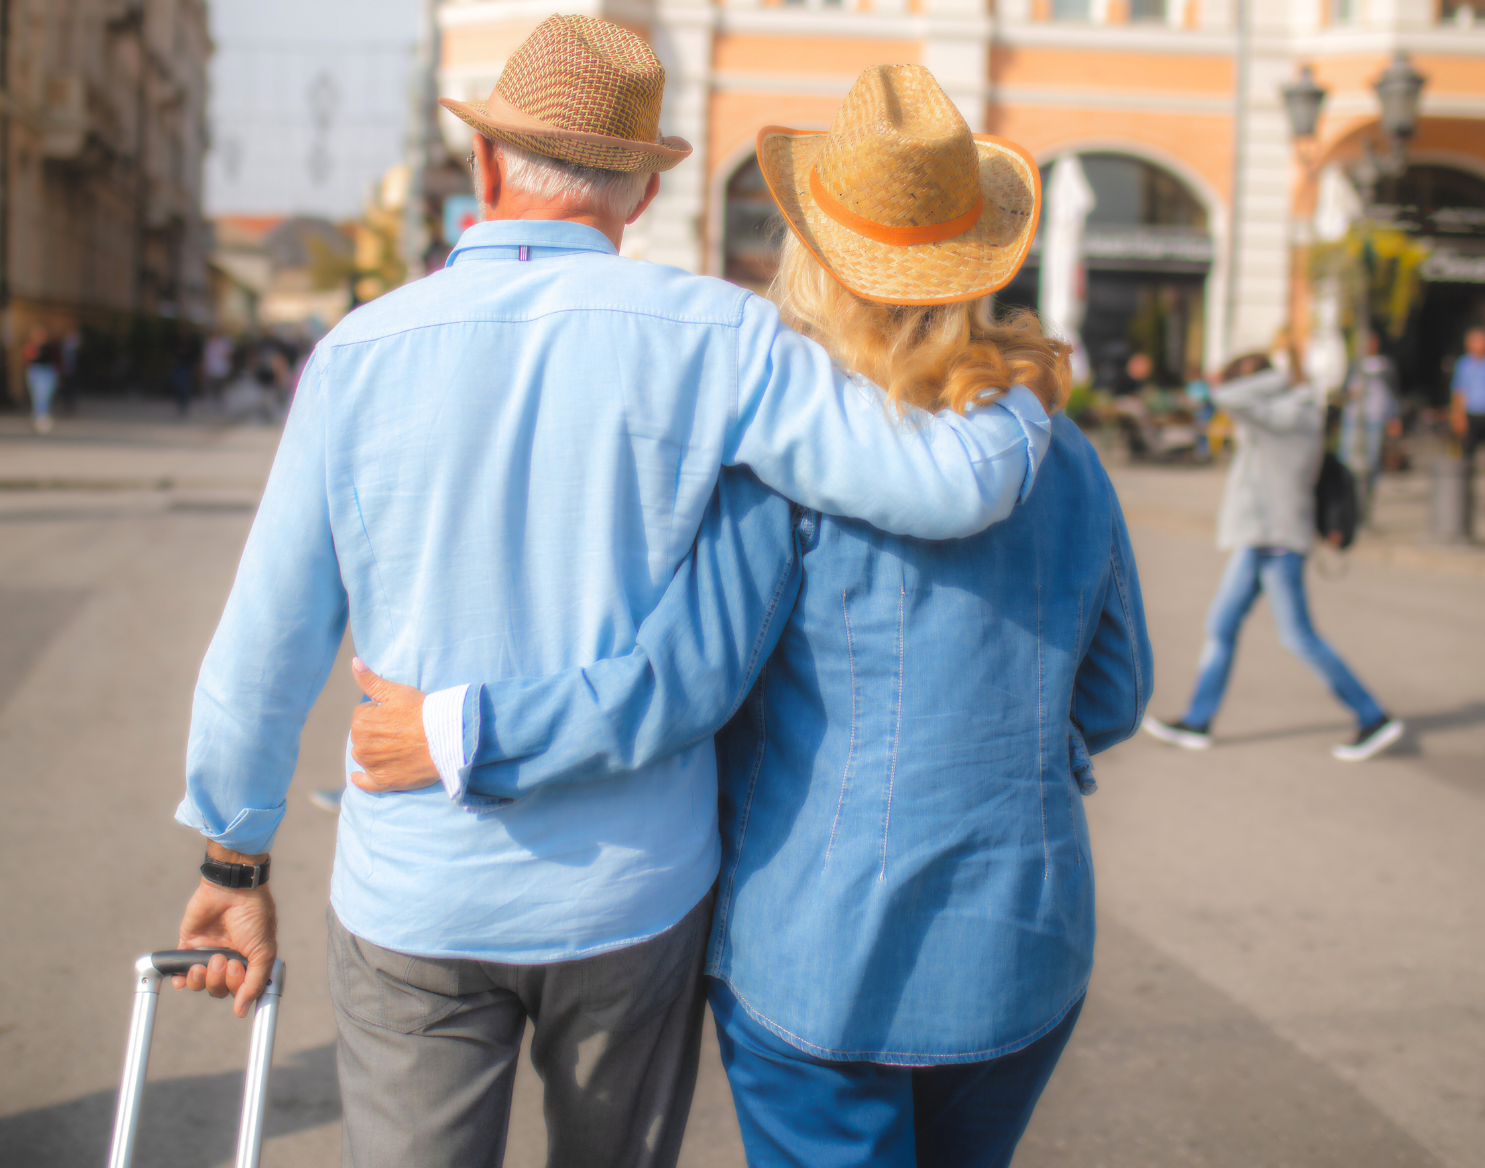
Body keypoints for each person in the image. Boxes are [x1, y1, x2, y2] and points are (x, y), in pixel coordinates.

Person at [169, 22, 1056, 1168]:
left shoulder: (356, 354)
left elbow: (263, 649)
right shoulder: (720, 338)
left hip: (416, 890)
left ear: (486, 170)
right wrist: (1028, 393)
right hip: (630, 897)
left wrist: (231, 864)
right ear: (637, 195)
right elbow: (939, 488)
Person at [348, 67, 1152, 1167]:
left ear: (812, 255)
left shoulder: (787, 465)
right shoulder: (1064, 457)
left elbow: (680, 689)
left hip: (822, 958)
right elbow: (1115, 695)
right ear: (978, 263)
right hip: (1026, 943)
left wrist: (461, 729)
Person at [1144, 341, 1403, 762]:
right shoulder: (1278, 413)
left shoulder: (1291, 416)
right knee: (1221, 625)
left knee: (1298, 637)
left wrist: (1267, 377)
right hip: (1258, 539)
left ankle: (1373, 717)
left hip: (1278, 541)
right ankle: (1197, 721)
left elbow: (1223, 396)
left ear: (1258, 385)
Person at [1341, 331, 1400, 506]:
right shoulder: (1354, 364)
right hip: (1353, 419)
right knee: (1347, 459)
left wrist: (1394, 418)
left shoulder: (1385, 365)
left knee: (1371, 460)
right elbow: (1344, 390)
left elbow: (1393, 393)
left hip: (1375, 418)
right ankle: (1349, 499)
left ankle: (1366, 499)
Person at [1452, 325, 1485, 469]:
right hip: (1470, 413)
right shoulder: (1463, 364)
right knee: (1467, 455)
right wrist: (1458, 415)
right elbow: (1458, 391)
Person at [21, 325, 59, 434]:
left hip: (48, 372)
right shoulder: (31, 345)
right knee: (38, 397)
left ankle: (42, 418)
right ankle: (39, 419)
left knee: (44, 396)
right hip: (36, 372)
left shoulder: (49, 346)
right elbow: (26, 359)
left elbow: (55, 360)